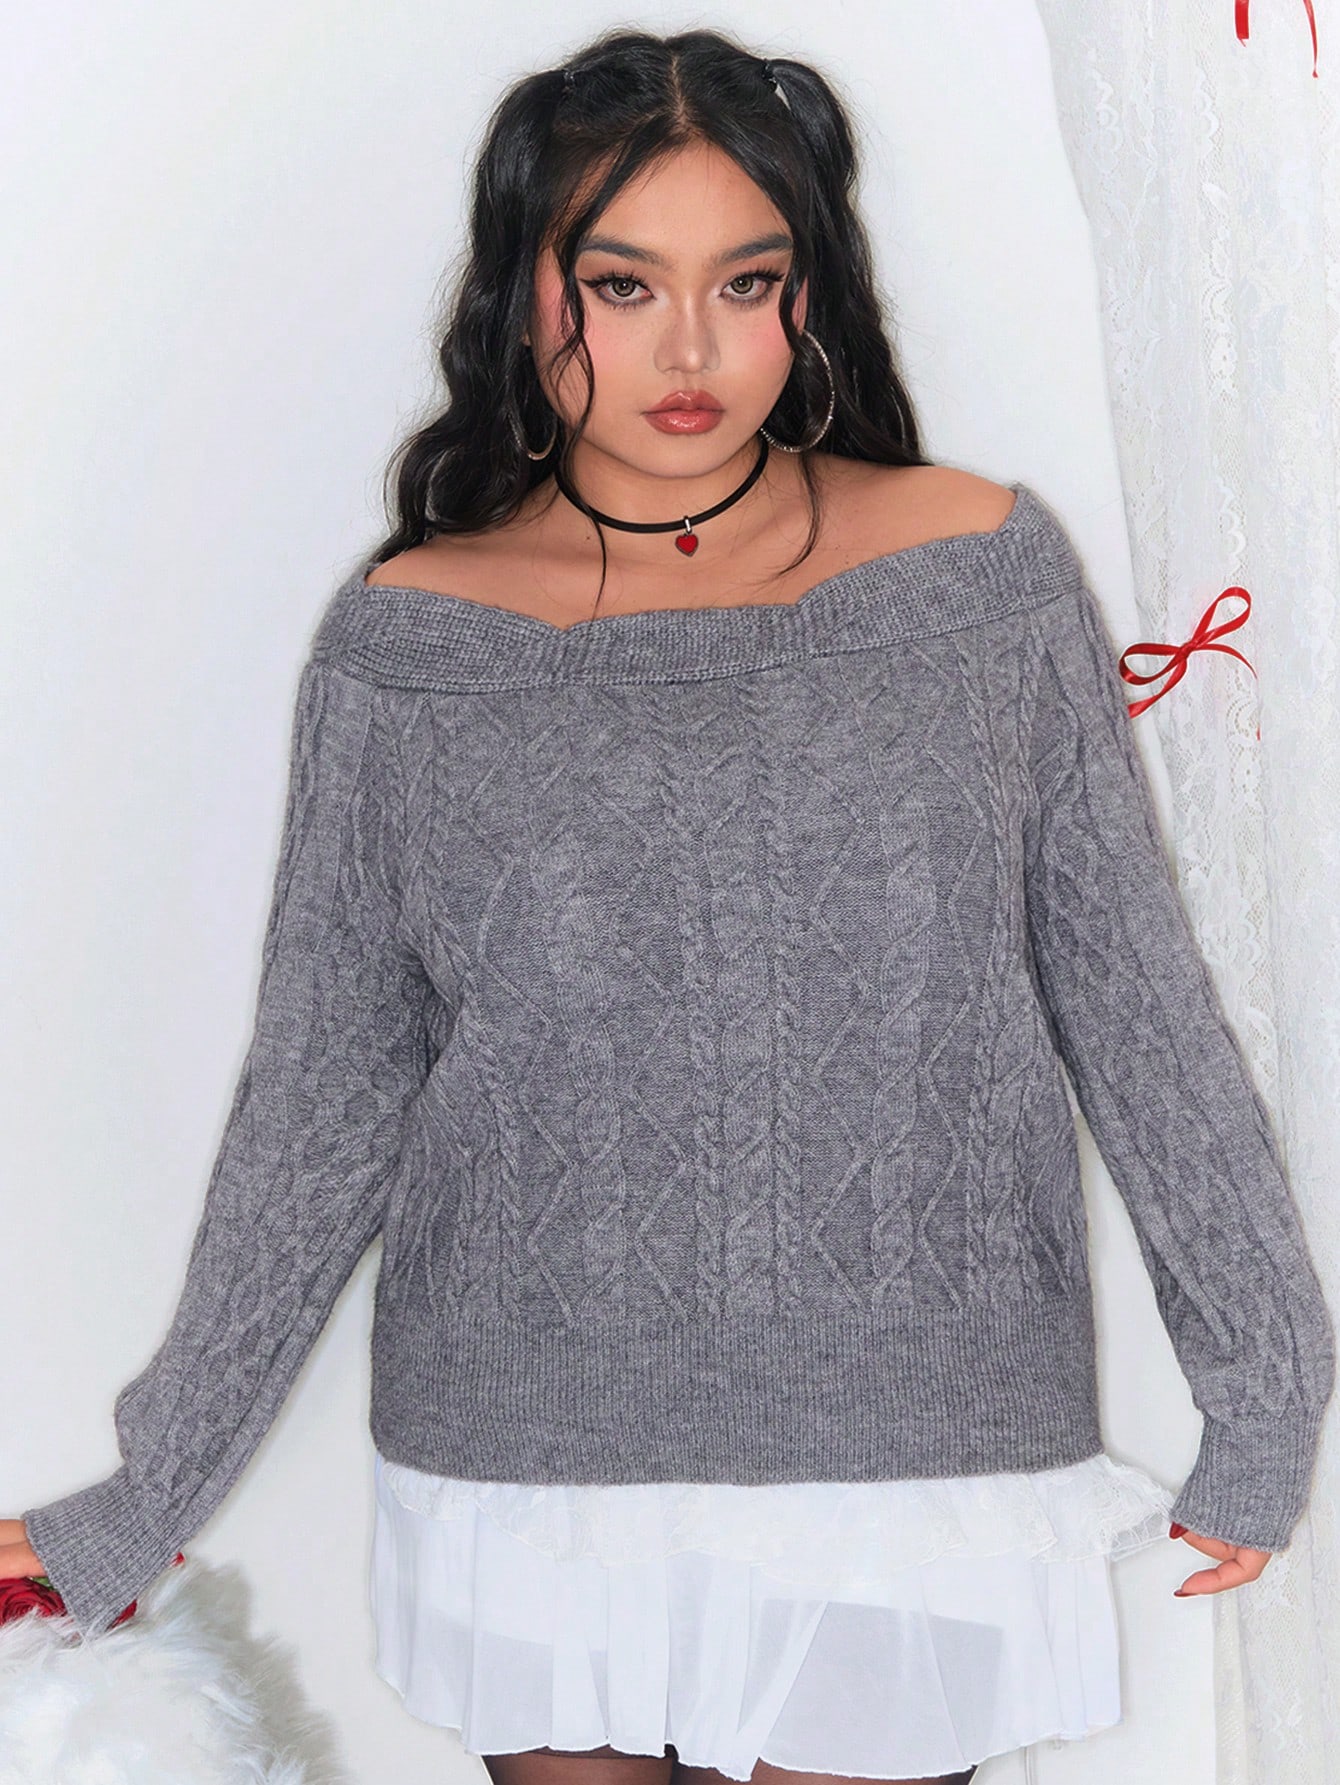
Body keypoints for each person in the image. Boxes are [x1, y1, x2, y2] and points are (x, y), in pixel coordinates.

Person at [6, 24, 1335, 1785]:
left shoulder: (979, 582)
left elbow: (1138, 1008)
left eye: (746, 283)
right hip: (533, 1473)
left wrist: (1265, 1387)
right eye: (623, 286)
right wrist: (143, 1490)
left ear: (809, 298)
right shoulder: (412, 646)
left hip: (912, 1451)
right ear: (527, 297)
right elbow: (321, 1099)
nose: (691, 351)